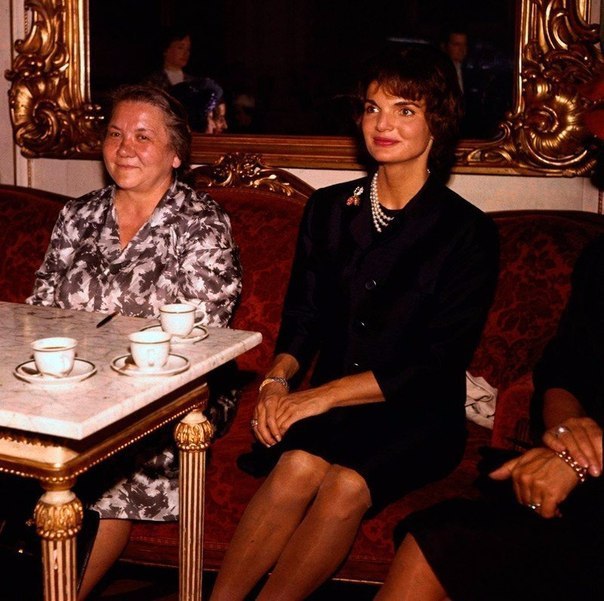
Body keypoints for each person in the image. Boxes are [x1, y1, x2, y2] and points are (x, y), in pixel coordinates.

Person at [209, 44, 499, 601]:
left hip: (418, 415)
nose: (382, 124)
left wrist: (317, 399)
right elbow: (303, 317)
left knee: (345, 483)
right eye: (372, 108)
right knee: (296, 465)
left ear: (437, 123)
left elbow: (436, 364)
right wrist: (277, 381)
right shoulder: (327, 210)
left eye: (405, 109)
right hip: (334, 406)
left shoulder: (468, 234)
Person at [27, 84, 242, 599]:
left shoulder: (201, 223)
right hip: (70, 385)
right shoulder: (77, 215)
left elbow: (202, 332)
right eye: (115, 134)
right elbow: (40, 309)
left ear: (175, 154)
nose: (125, 148)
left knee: (108, 474)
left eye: (143, 137)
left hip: (171, 393)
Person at [374, 234, 604, 601]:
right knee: (439, 537)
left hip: (589, 477)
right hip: (574, 465)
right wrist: (566, 436)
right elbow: (563, 369)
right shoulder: (600, 257)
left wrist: (580, 462)